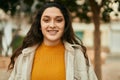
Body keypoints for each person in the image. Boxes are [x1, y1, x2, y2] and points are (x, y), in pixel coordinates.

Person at [8, 1, 98, 80]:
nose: (52, 25)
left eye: (58, 20)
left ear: (65, 25)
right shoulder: (24, 56)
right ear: (40, 25)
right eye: (46, 20)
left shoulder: (78, 55)